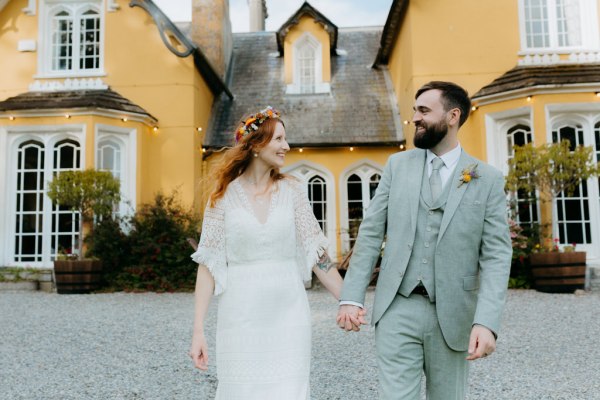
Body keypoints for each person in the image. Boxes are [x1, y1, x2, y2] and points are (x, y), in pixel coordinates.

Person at [337, 81, 512, 399]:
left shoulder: (486, 178)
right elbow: (372, 232)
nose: (415, 117)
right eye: (414, 110)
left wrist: (486, 322)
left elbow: (497, 256)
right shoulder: (397, 166)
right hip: (396, 308)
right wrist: (352, 296)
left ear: (452, 116)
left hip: (453, 314)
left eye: (424, 110)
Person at [189, 106, 348, 399]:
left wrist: (349, 301)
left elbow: (317, 254)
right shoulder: (221, 198)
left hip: (289, 314)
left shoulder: (294, 191)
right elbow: (208, 264)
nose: (286, 146)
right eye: (279, 139)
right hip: (239, 316)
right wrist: (198, 330)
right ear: (255, 145)